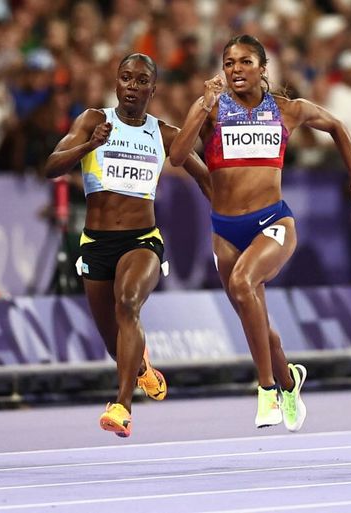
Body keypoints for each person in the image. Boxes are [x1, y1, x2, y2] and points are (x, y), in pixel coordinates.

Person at [169, 35, 351, 430]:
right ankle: (289, 380)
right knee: (260, 326)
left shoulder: (286, 110)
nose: (236, 69)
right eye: (229, 62)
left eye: (245, 61)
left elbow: (336, 126)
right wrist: (203, 105)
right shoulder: (211, 107)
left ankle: (266, 392)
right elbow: (178, 157)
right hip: (225, 230)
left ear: (263, 68)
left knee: (243, 283)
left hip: (273, 222)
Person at [45, 53, 211, 438]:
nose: (132, 86)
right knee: (114, 343)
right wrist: (88, 146)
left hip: (142, 240)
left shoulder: (164, 133)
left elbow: (205, 179)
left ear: (153, 89)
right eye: (126, 78)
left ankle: (121, 406)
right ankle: (141, 369)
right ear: (116, 82)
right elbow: (51, 167)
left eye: (141, 80)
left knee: (128, 303)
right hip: (96, 244)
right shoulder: (93, 121)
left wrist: (233, 219)